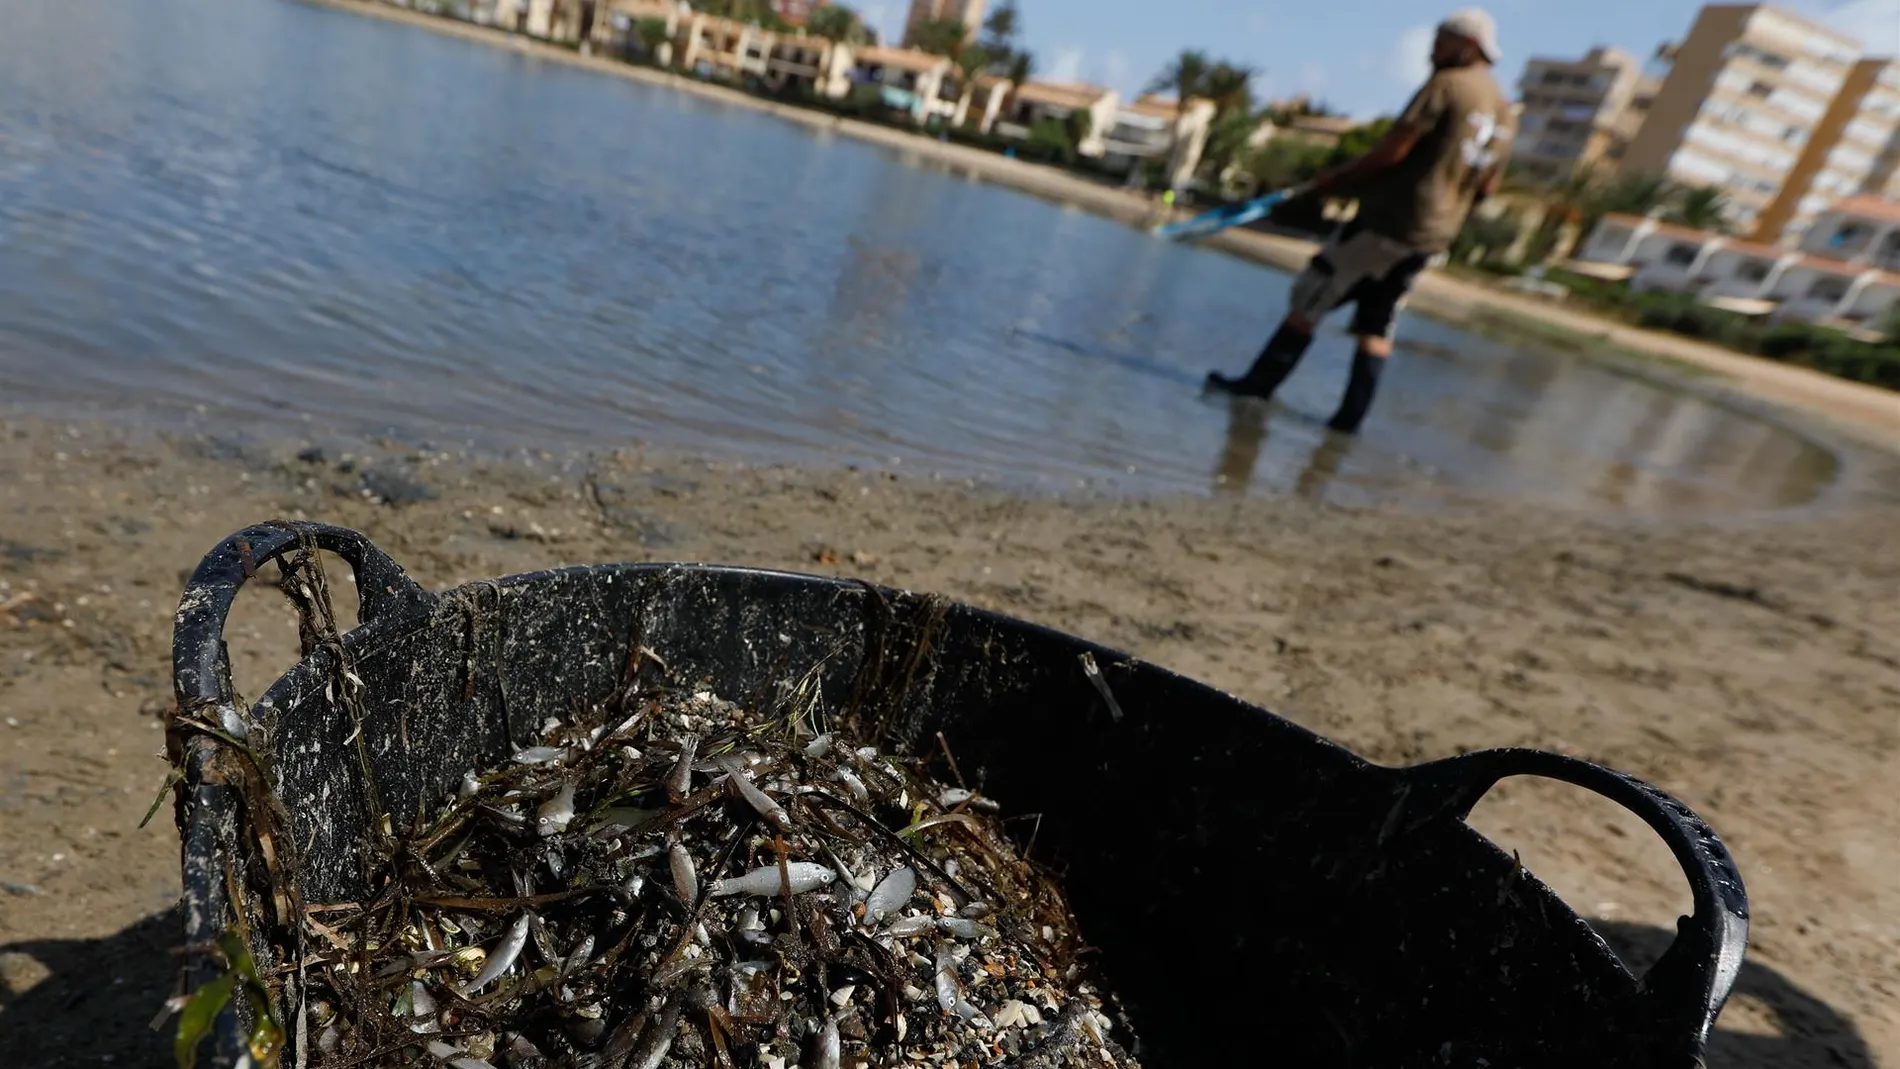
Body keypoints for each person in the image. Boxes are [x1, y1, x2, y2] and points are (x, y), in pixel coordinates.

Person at [1205, 8, 1514, 434]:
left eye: (1441, 40)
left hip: (1391, 221)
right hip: (1434, 236)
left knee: (1312, 294)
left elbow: (1392, 151)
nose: (1432, 49)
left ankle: (1256, 388)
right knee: (1379, 319)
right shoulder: (1502, 107)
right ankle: (1348, 423)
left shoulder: (1447, 85)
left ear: (1468, 45)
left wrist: (1332, 181)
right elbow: (1488, 186)